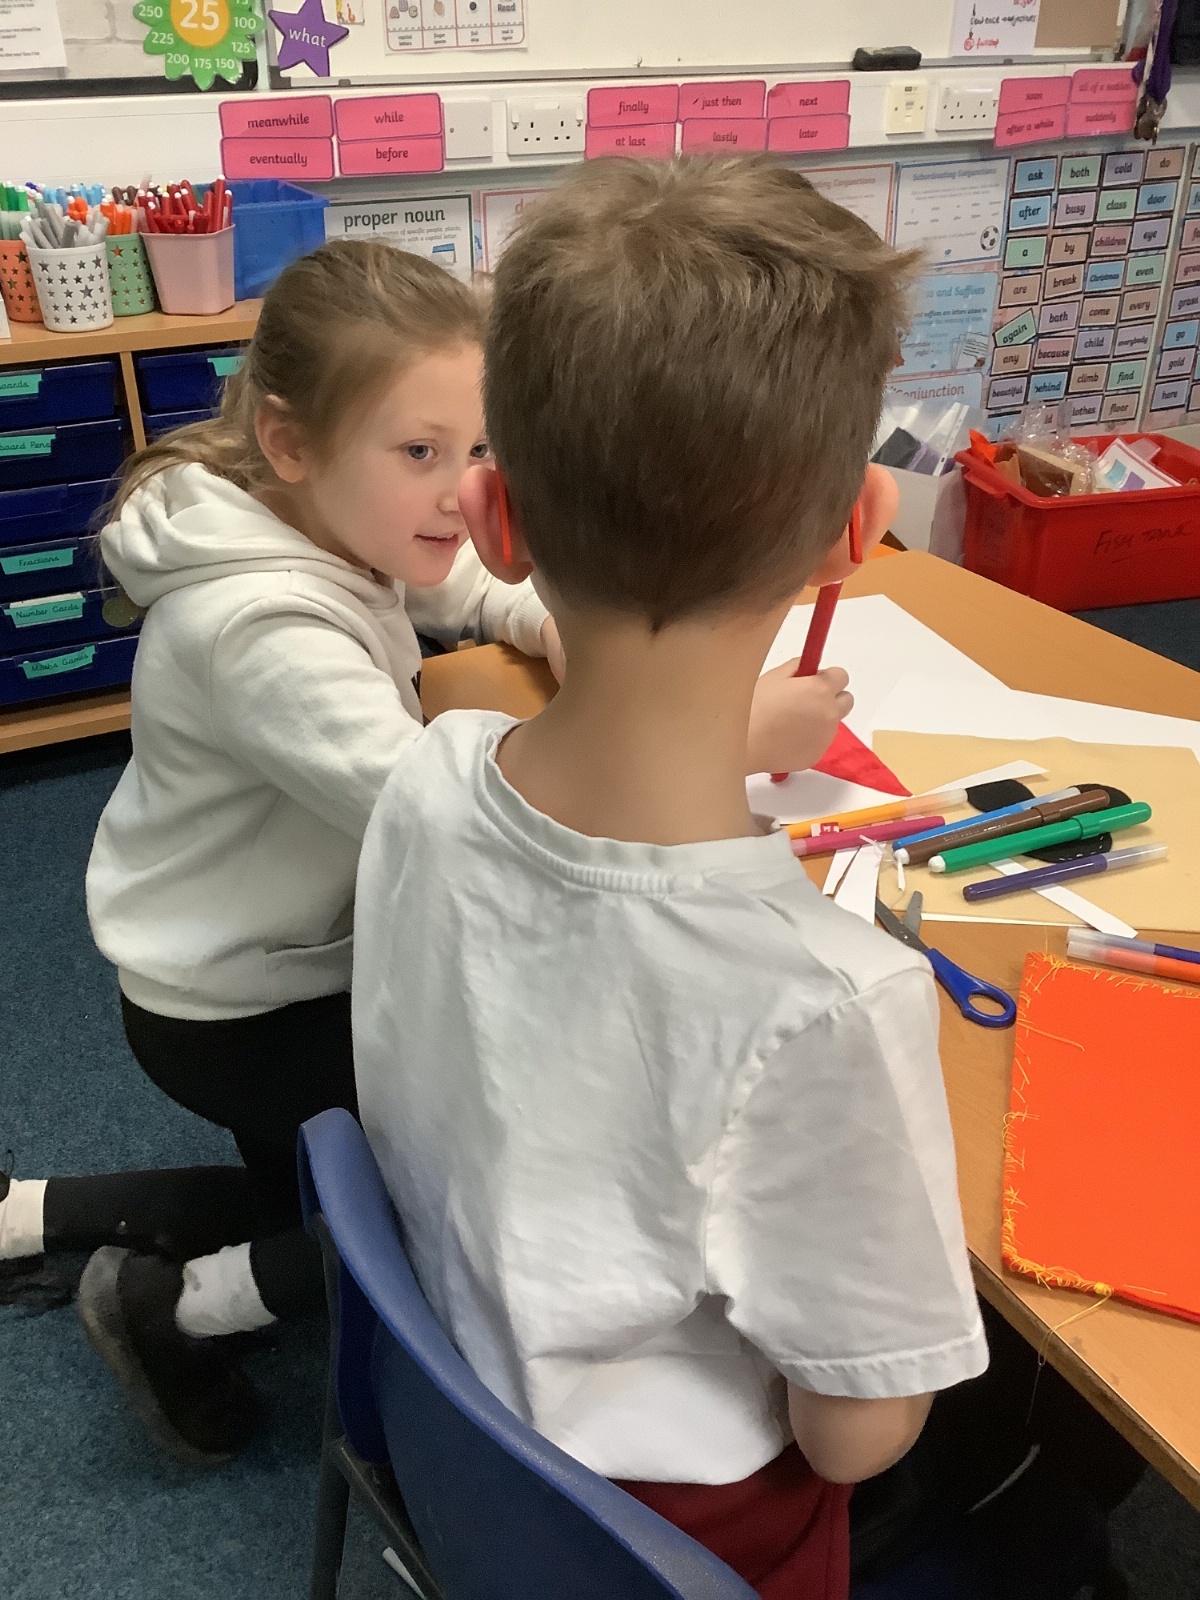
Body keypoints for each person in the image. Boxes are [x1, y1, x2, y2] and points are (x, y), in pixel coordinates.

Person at [352, 158, 1145, 1598]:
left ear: (494, 518)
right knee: (1053, 1487)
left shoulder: (427, 769)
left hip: (466, 1422)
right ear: (858, 529)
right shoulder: (831, 1003)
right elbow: (852, 1439)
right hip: (677, 1544)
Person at [0, 239, 560, 1467]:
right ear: (293, 444)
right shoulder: (257, 625)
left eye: (476, 449)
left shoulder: (314, 518)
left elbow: (457, 579)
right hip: (244, 1004)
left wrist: (543, 620)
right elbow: (443, 815)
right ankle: (174, 1311)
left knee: (298, 1195)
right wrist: (655, 735)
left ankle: (25, 1215)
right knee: (471, 1189)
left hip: (249, 951)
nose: (462, 491)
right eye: (421, 453)